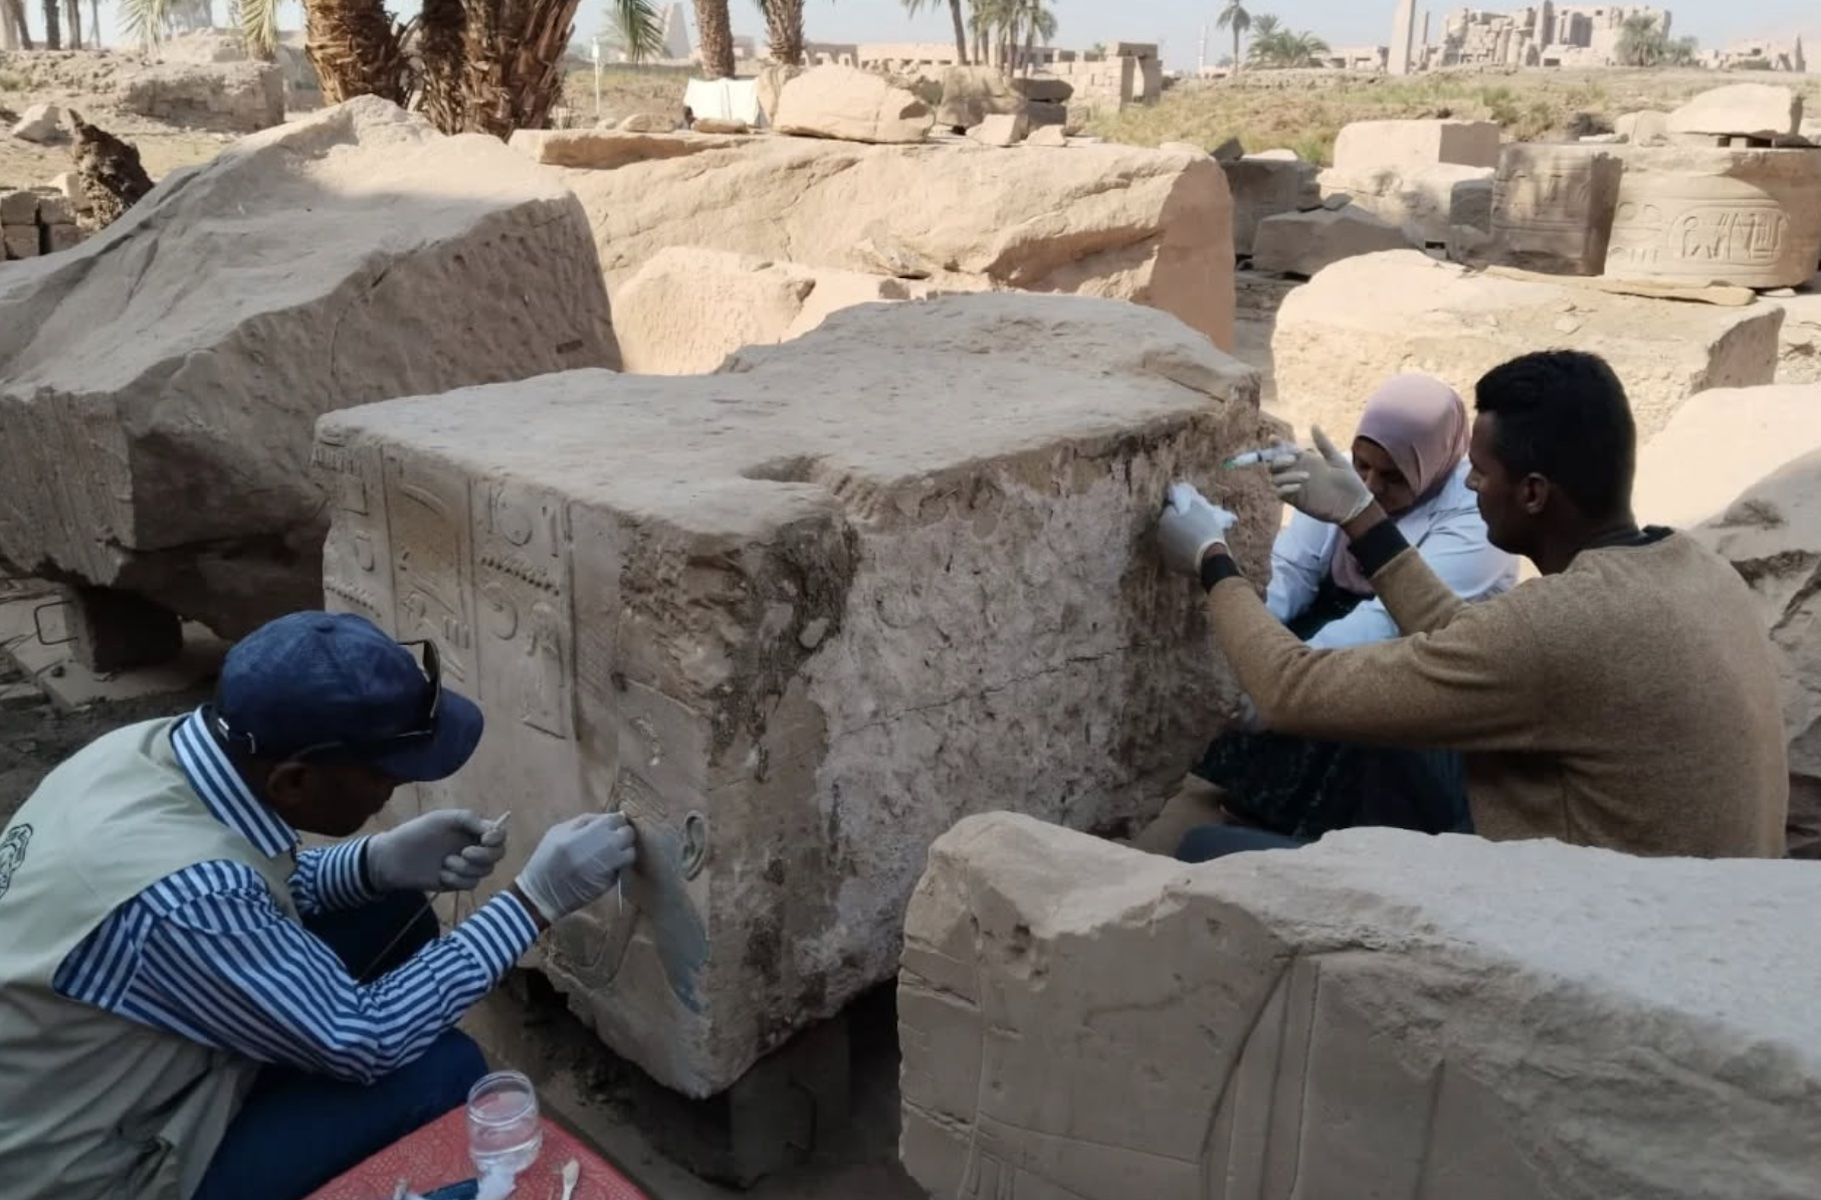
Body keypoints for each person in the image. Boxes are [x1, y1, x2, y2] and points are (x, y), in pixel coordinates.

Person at [0, 611, 638, 1200]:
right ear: (295, 780)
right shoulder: (181, 898)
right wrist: (532, 902)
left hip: (97, 1070)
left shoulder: (154, 752)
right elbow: (364, 1036)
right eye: (386, 775)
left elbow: (246, 888)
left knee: (391, 911)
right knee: (443, 1071)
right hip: (94, 1171)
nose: (396, 789)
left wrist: (374, 862)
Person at [1157, 349, 1789, 861]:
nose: (1470, 486)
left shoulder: (1564, 623)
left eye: (1481, 474)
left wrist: (1211, 556)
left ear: (1535, 493)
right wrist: (1361, 517)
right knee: (1396, 726)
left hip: (1604, 924)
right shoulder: (1692, 564)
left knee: (1202, 851)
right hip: (1684, 874)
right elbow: (1469, 637)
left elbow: (1287, 690)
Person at [1168, 375, 1516, 848]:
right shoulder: (1339, 479)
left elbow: (1387, 620)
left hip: (1418, 648)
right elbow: (1291, 571)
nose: (1371, 486)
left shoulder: (1476, 518)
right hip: (1341, 615)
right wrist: (1252, 644)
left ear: (1432, 463)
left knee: (1366, 707)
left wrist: (1280, 680)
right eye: (1362, 466)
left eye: (1393, 477)